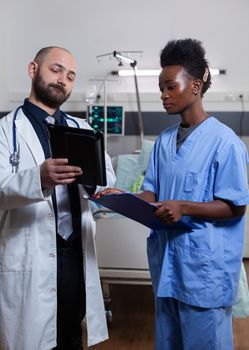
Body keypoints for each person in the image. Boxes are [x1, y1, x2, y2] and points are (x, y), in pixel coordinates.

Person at [95, 38, 249, 349]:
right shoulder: (164, 141)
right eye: (161, 88)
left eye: (170, 87)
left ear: (195, 85)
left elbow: (235, 207)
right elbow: (152, 192)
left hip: (204, 269)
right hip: (168, 266)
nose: (163, 95)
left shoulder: (225, 142)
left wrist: (184, 207)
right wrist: (121, 197)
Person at [0, 46, 116, 350]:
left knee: (70, 337)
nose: (62, 79)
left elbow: (107, 179)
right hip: (31, 253)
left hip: (75, 253)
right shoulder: (5, 131)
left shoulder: (83, 129)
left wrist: (98, 185)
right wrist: (38, 178)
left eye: (70, 75)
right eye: (56, 69)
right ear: (33, 70)